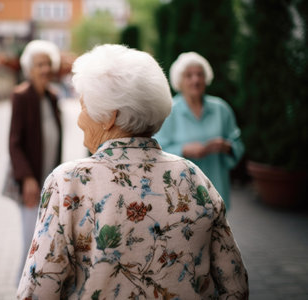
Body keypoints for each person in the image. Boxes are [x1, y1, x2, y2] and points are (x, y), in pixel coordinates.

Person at [17, 44, 248, 299]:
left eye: (84, 106)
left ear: (109, 118)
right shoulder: (193, 176)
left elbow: (38, 290)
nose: (80, 119)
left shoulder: (68, 183)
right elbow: (235, 284)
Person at [153, 52, 244, 210]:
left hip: (217, 190)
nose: (195, 80)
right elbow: (155, 151)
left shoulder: (221, 109)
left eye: (200, 74)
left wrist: (227, 147)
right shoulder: (168, 112)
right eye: (189, 75)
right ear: (179, 81)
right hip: (182, 196)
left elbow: (238, 144)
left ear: (206, 78)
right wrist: (183, 150)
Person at [8, 40, 62, 283]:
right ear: (29, 69)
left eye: (48, 63)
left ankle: (38, 285)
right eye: (39, 64)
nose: (45, 69)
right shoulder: (21, 96)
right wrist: (27, 177)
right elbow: (14, 142)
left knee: (46, 237)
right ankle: (23, 286)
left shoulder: (53, 96)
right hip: (29, 180)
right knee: (32, 238)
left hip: (49, 181)